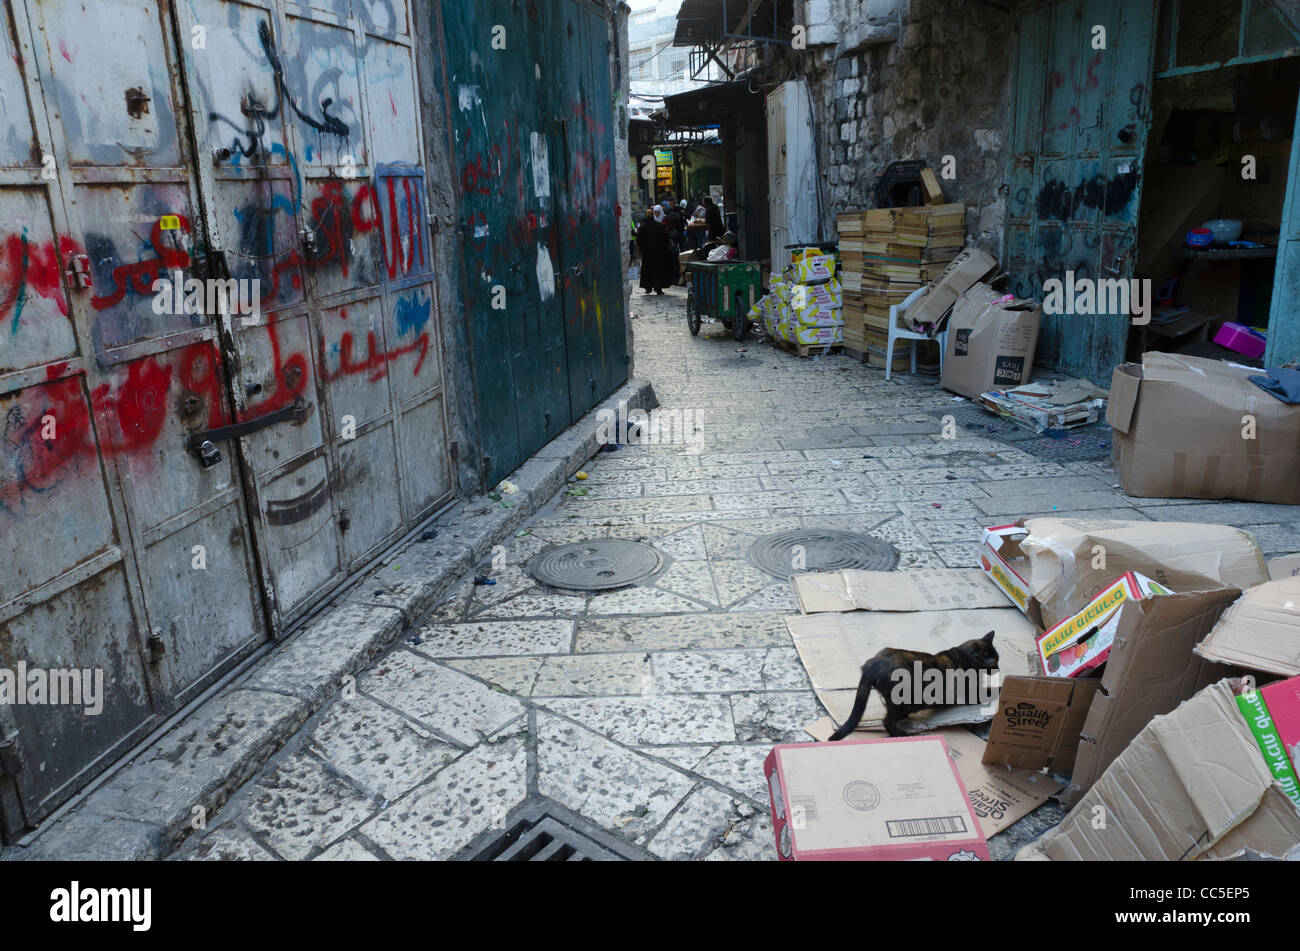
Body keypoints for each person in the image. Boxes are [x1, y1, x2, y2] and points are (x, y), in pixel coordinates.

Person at [636, 210, 669, 295]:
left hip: (647, 252)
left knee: (647, 269)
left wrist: (642, 249)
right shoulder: (660, 226)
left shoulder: (642, 228)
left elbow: (639, 240)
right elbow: (666, 239)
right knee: (658, 269)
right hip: (659, 251)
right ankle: (658, 288)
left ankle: (648, 287)